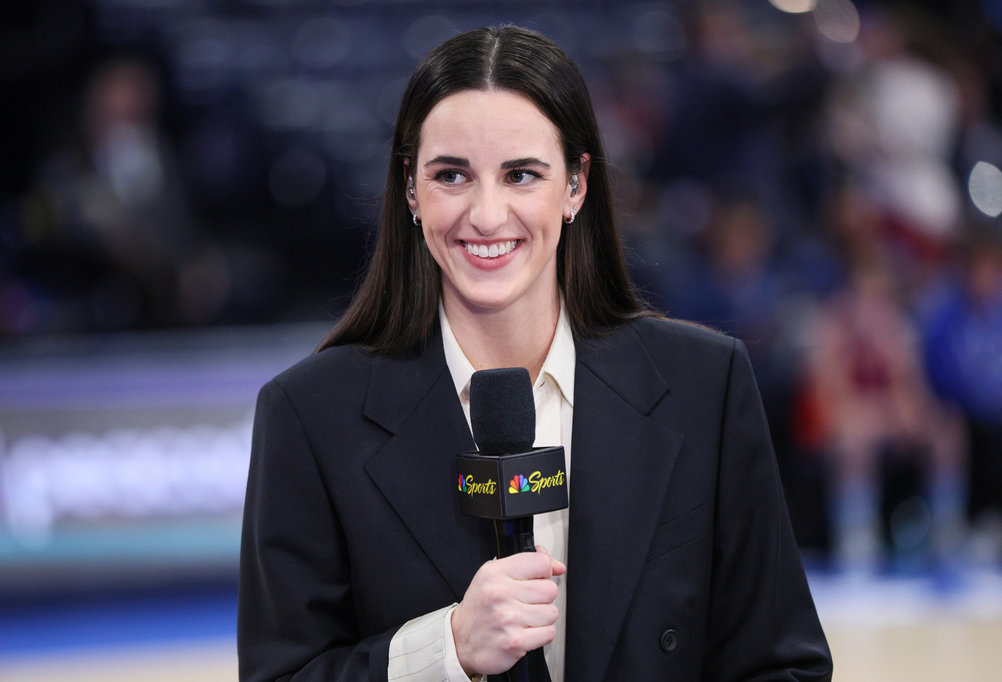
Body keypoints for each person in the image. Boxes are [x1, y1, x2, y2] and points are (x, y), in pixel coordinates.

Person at [238, 25, 832, 682]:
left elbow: (783, 665)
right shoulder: (308, 415)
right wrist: (445, 650)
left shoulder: (705, 385)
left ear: (576, 185)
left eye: (521, 174)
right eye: (451, 175)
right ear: (410, 190)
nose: (487, 216)